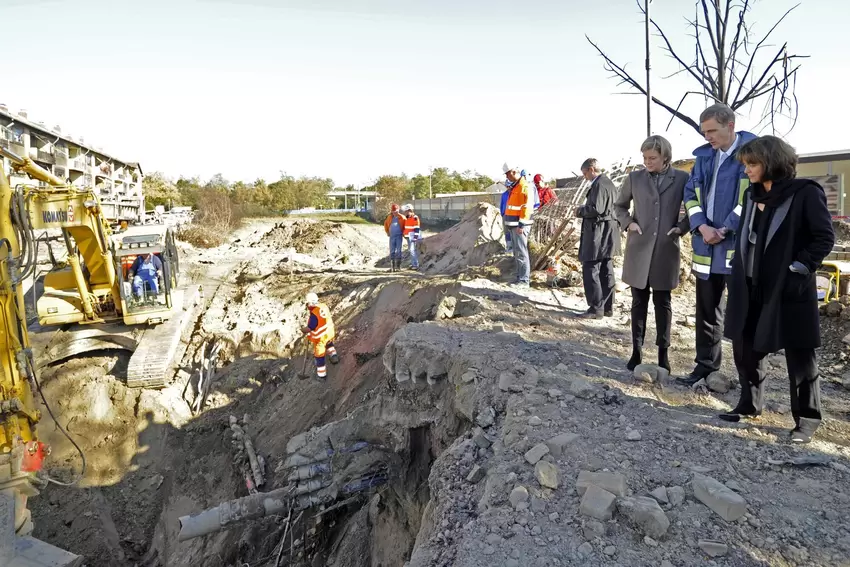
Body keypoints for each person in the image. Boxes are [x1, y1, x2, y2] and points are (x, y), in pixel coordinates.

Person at [720, 136, 834, 443]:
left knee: (799, 354)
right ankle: (749, 404)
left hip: (788, 287)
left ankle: (807, 418)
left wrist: (800, 267)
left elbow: (823, 237)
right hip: (750, 284)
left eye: (752, 164)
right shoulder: (752, 194)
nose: (747, 171)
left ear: (772, 162)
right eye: (745, 165)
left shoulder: (805, 193)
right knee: (744, 347)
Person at [677, 104, 758, 386]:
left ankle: (747, 379)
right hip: (706, 246)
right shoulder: (703, 158)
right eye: (704, 132)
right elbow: (690, 194)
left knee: (740, 315)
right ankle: (705, 366)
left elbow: (750, 199)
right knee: (706, 310)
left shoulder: (751, 154)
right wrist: (701, 226)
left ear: (730, 125)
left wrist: (723, 229)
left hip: (736, 247)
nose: (707, 137)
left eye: (712, 130)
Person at [614, 135, 690, 372]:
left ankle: (662, 354)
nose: (647, 161)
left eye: (652, 158)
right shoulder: (635, 178)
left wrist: (682, 227)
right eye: (645, 157)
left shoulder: (682, 179)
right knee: (638, 302)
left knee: (663, 302)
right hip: (639, 249)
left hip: (666, 249)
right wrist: (628, 223)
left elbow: (692, 207)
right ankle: (636, 352)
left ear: (665, 157)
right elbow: (619, 206)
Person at [576, 158, 620, 318]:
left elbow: (597, 209)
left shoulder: (599, 184)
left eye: (585, 173)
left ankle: (596, 309)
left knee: (591, 268)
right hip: (608, 232)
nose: (584, 177)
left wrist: (580, 211)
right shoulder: (609, 183)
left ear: (591, 169)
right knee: (606, 270)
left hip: (599, 233)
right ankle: (607, 308)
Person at [502, 163, 533, 287]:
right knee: (517, 252)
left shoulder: (524, 187)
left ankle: (524, 280)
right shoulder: (516, 187)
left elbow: (526, 208)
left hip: (520, 226)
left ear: (514, 172)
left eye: (507, 174)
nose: (507, 177)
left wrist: (521, 225)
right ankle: (520, 277)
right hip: (513, 225)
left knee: (521, 252)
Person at [302, 292, 340, 379]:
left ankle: (321, 376)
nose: (307, 304)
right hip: (329, 332)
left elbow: (310, 327)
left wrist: (303, 330)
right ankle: (334, 356)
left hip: (321, 338)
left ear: (310, 302)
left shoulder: (314, 315)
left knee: (319, 355)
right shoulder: (323, 306)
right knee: (329, 344)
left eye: (307, 303)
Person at [384, 203, 405, 272]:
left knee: (399, 251)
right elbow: (386, 225)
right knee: (392, 251)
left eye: (397, 211)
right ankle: (392, 267)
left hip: (399, 236)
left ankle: (398, 267)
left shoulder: (402, 217)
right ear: (392, 211)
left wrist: (404, 233)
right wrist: (387, 232)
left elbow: (405, 226)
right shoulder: (389, 217)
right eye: (394, 211)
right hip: (392, 236)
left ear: (398, 210)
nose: (396, 212)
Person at [402, 203, 421, 270]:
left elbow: (417, 228)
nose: (405, 213)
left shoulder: (415, 218)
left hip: (412, 237)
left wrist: (415, 237)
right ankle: (413, 264)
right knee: (410, 250)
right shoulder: (407, 218)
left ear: (409, 211)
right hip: (408, 237)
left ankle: (415, 265)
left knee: (412, 250)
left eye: (406, 211)